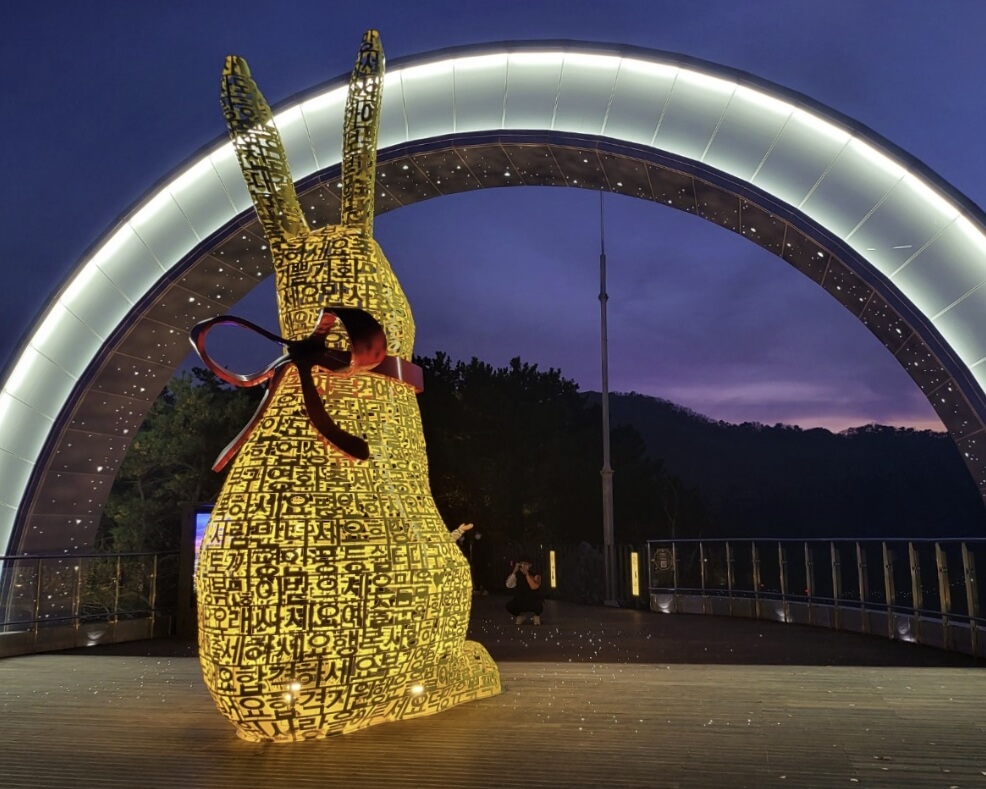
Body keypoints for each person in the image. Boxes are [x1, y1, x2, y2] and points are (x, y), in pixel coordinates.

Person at [505, 560, 543, 625]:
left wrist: (527, 575)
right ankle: (520, 616)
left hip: (533, 600)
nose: (523, 566)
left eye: (525, 564)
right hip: (521, 600)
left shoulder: (534, 574)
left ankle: (536, 616)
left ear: (530, 565)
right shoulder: (517, 575)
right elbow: (509, 585)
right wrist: (514, 572)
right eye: (522, 564)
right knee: (509, 606)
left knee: (539, 605)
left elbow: (534, 587)